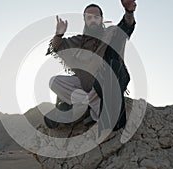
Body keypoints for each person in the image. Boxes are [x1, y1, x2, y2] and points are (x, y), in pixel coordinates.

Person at [44, 0, 136, 131]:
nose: (93, 20)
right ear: (85, 20)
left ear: (101, 19)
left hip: (106, 85)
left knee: (109, 67)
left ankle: (80, 110)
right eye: (89, 17)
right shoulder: (78, 40)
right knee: (55, 81)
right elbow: (56, 48)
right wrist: (59, 34)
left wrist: (129, 12)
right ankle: (87, 108)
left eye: (96, 17)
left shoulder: (111, 33)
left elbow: (126, 26)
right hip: (85, 85)